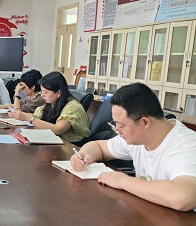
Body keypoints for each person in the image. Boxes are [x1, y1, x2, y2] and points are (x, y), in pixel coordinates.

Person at [70, 82, 196, 211]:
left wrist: (124, 181)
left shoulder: (186, 146)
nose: (117, 130)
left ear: (145, 122)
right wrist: (83, 155)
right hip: (147, 214)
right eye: (115, 123)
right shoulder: (139, 137)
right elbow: (98, 146)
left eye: (121, 125)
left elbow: (183, 197)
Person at [9, 71, 89, 143]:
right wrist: (23, 116)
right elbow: (37, 116)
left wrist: (28, 118)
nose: (42, 95)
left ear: (58, 93)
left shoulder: (73, 107)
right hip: (55, 142)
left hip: (71, 146)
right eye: (42, 91)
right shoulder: (52, 103)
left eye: (45, 92)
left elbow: (58, 129)